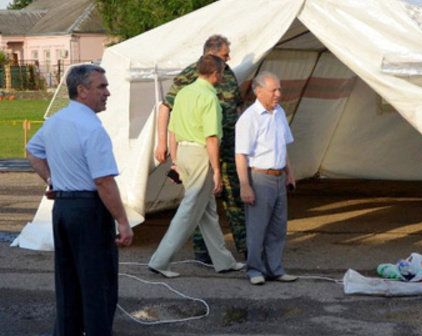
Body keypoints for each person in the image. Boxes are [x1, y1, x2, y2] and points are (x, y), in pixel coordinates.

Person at [26, 64, 133, 335]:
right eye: (102, 87)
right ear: (82, 91)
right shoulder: (92, 129)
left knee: (68, 282)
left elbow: (33, 152)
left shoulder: (56, 122)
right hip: (88, 209)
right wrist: (122, 220)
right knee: (98, 285)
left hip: (63, 209)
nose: (107, 92)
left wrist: (53, 180)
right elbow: (103, 181)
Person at [148, 55, 244, 278]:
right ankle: (160, 260)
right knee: (189, 209)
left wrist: (176, 160)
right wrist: (217, 170)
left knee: (207, 211)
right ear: (216, 74)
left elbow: (172, 129)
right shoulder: (210, 98)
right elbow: (212, 138)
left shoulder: (183, 93)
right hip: (201, 154)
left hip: (184, 152)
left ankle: (223, 260)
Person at [235, 71, 298, 285]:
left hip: (279, 176)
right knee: (257, 227)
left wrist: (290, 172)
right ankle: (254, 270)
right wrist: (245, 185)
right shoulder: (249, 119)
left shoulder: (279, 112)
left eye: (279, 89)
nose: (278, 94)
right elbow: (241, 154)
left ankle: (275, 269)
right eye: (274, 90)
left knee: (278, 227)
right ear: (258, 91)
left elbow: (283, 145)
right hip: (260, 177)